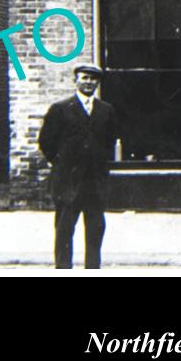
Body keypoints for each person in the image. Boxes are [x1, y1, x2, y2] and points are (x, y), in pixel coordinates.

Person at [38, 63, 120, 269]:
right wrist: (62, 163)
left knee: (95, 231)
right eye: (84, 78)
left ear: (97, 82)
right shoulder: (60, 109)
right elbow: (46, 141)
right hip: (68, 182)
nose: (88, 82)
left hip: (94, 182)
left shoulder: (106, 110)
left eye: (93, 79)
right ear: (76, 81)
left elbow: (109, 140)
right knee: (64, 231)